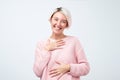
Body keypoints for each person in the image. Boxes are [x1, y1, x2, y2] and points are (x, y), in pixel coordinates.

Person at [33, 7, 90, 80]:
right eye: (56, 19)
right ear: (50, 20)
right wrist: (47, 50)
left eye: (63, 21)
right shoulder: (41, 44)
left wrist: (69, 67)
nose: (58, 24)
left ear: (67, 24)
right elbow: (37, 72)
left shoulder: (74, 41)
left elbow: (86, 68)